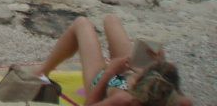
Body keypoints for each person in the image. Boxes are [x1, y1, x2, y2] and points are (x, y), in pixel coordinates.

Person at [34, 15, 192, 106]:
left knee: (82, 23)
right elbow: (169, 88)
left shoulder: (123, 100)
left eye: (139, 75)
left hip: (104, 82)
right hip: (127, 76)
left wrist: (110, 72)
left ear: (137, 84)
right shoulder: (182, 102)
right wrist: (159, 64)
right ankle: (145, 67)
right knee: (111, 19)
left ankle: (43, 72)